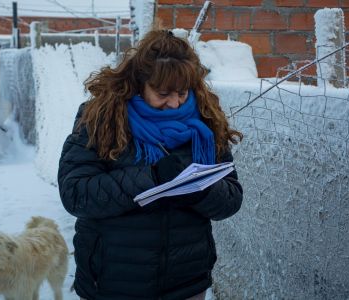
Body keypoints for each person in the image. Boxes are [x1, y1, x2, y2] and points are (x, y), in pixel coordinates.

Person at [58, 29, 243, 300]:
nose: (175, 103)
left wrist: (201, 190)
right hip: (114, 283)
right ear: (138, 84)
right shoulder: (101, 119)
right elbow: (76, 193)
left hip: (186, 282)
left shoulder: (204, 123)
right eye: (163, 93)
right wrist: (153, 177)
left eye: (182, 92)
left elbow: (232, 198)